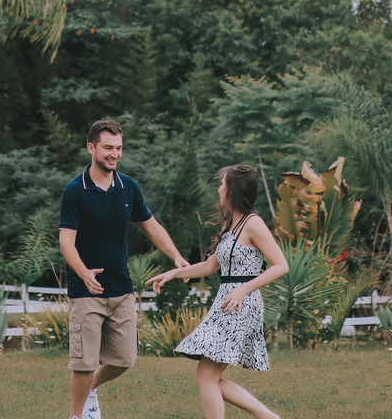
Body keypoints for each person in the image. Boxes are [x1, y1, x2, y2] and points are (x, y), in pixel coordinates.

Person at [59, 119, 189, 419]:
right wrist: (83, 272)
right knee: (84, 363)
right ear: (91, 148)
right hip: (86, 290)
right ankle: (77, 416)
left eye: (118, 148)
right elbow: (66, 242)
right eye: (108, 148)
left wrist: (176, 256)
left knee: (125, 359)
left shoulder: (128, 187)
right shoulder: (75, 190)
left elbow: (151, 226)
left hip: (121, 288)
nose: (114, 154)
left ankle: (91, 390)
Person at [147, 164, 289, 419]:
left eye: (222, 184)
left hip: (241, 304)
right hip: (226, 302)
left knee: (207, 376)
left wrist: (243, 290)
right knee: (208, 376)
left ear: (233, 190)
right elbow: (209, 266)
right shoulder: (231, 225)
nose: (219, 189)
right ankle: (269, 417)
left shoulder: (253, 223)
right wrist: (173, 273)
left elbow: (281, 266)